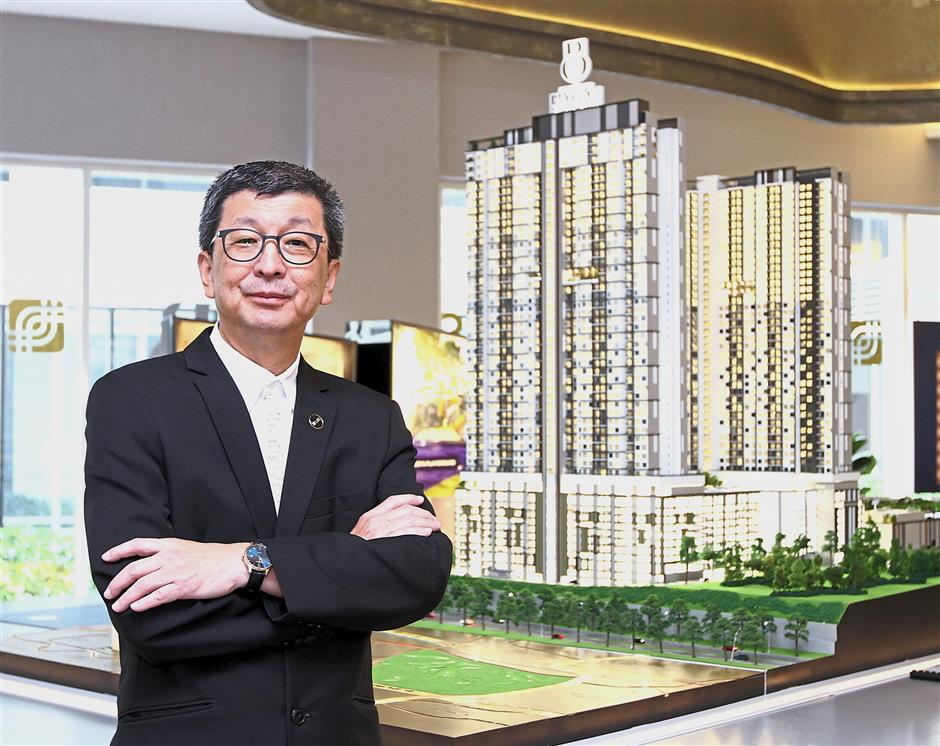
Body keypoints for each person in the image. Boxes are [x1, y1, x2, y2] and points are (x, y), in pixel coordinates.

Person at [84, 161, 452, 745]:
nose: (271, 265)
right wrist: (340, 578)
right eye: (245, 241)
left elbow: (416, 577)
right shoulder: (132, 400)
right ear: (208, 270)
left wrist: (245, 563)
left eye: (298, 244)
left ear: (328, 279)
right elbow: (148, 612)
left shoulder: (371, 417)